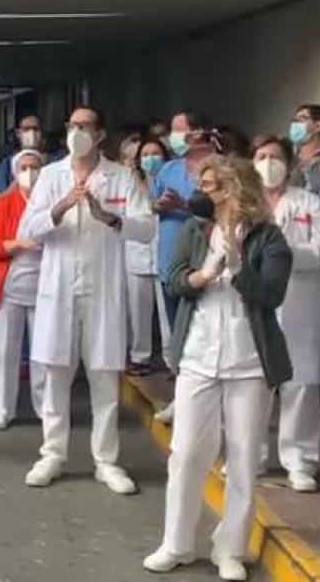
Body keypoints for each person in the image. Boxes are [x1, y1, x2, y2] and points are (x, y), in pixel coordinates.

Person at [144, 155, 293, 581]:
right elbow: (174, 278)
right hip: (198, 356)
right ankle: (176, 543)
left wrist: (239, 267)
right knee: (187, 452)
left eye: (211, 186)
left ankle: (230, 549)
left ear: (234, 189)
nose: (202, 194)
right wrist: (202, 275)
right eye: (203, 185)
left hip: (249, 362)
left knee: (243, 458)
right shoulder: (194, 231)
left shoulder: (268, 237)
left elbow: (272, 293)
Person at [21, 106, 154, 494]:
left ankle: (106, 461)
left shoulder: (121, 177)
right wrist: (60, 207)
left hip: (103, 290)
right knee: (56, 376)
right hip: (59, 289)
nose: (77, 132)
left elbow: (146, 228)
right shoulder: (51, 176)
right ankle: (52, 454)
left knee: (104, 378)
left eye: (85, 126)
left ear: (100, 135)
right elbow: (28, 227)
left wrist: (108, 216)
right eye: (72, 126)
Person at [251, 135, 320, 493]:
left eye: (275, 157)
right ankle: (249, 457)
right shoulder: (245, 203)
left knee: (300, 383)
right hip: (254, 301)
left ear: (290, 164)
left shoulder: (309, 203)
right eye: (261, 156)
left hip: (300, 301)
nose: (269, 163)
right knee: (253, 383)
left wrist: (285, 253)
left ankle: (300, 462)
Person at [151, 110, 215, 423]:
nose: (172, 137)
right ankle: (181, 398)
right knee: (178, 334)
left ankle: (207, 403)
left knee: (204, 335)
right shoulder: (168, 169)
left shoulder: (220, 168)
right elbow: (152, 204)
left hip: (206, 263)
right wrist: (161, 205)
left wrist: (185, 205)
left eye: (178, 130)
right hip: (171, 262)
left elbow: (220, 209)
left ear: (198, 132)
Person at [0, 149, 47, 430]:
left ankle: (45, 407)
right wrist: (18, 244)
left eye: (35, 167)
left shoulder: (52, 204)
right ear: (14, 172)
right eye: (24, 167)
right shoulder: (5, 202)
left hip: (45, 290)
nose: (29, 173)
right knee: (5, 350)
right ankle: (3, 407)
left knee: (43, 352)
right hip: (8, 288)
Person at [127, 138, 170, 375]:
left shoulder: (172, 181)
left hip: (165, 254)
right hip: (137, 255)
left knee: (168, 314)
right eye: (145, 154)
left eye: (156, 154)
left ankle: (172, 360)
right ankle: (139, 357)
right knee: (138, 313)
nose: (150, 159)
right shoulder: (130, 183)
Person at [0, 114, 45, 194]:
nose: (32, 133)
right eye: (26, 129)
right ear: (18, 133)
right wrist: (19, 178)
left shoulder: (53, 161)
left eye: (36, 129)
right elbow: (0, 197)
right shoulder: (7, 164)